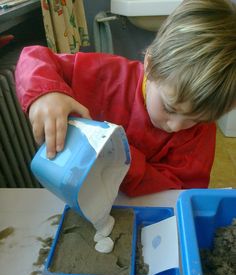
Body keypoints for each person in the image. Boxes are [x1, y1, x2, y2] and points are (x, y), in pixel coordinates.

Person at [15, 0, 236, 197]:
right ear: (150, 65)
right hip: (69, 186)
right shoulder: (107, 74)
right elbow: (32, 57)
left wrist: (121, 162)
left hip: (132, 204)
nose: (176, 126)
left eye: (195, 119)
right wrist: (47, 93)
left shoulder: (200, 131)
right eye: (170, 108)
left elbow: (180, 191)